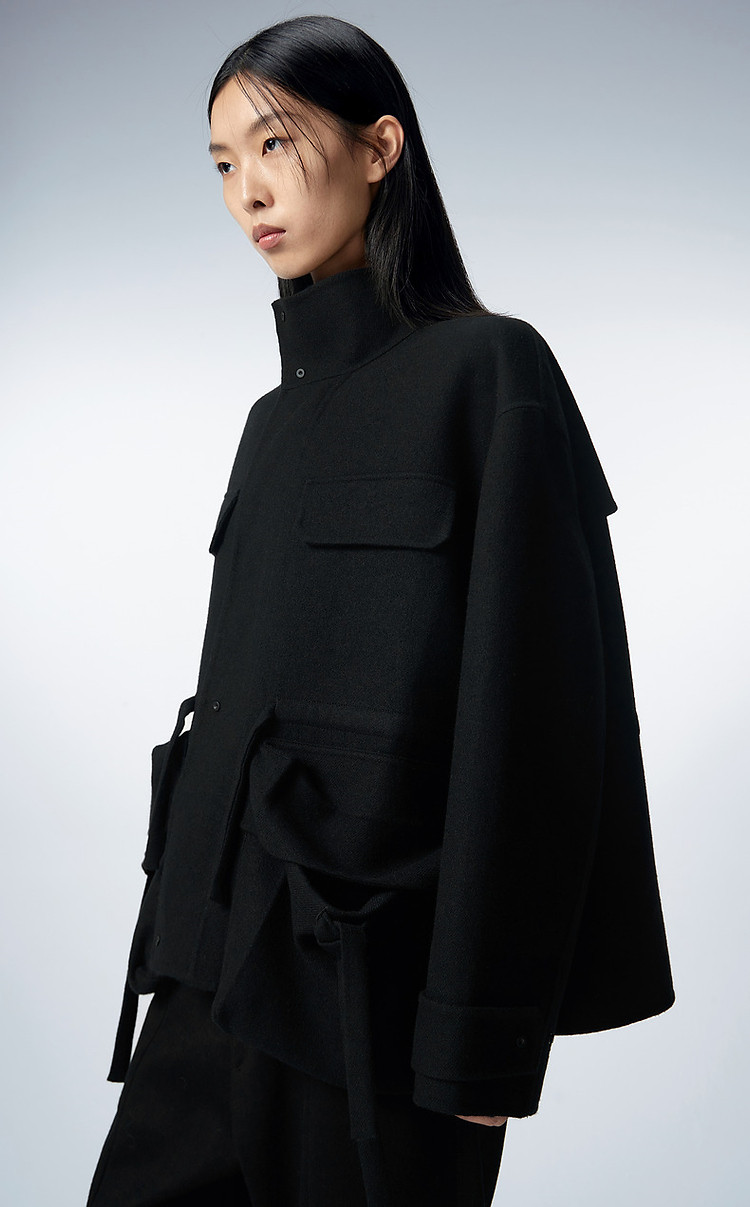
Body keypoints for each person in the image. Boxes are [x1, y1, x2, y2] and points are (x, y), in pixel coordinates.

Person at [86, 14, 675, 1207]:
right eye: (222, 163)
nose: (248, 191)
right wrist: (170, 959)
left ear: (379, 146)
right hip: (205, 983)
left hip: (377, 1017)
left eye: (275, 143)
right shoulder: (270, 424)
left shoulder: (493, 373)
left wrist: (483, 1036)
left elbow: (540, 730)